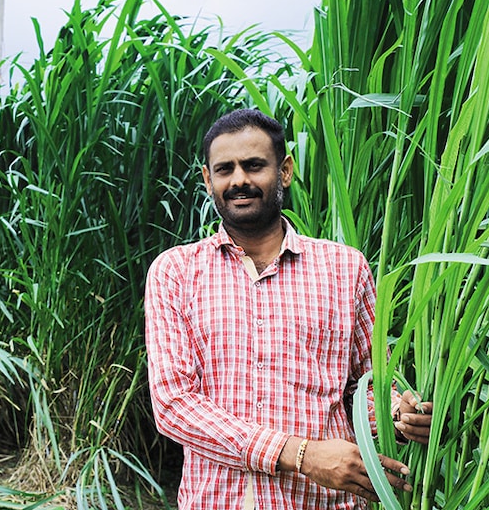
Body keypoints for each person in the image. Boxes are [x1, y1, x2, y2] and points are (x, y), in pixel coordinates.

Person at [144, 109, 433, 509]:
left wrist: (398, 417)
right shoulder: (175, 272)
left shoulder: (345, 268)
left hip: (327, 503)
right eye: (225, 169)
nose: (239, 180)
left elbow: (365, 388)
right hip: (218, 501)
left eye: (254, 165)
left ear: (285, 171)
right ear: (208, 180)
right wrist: (301, 454)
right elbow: (175, 406)